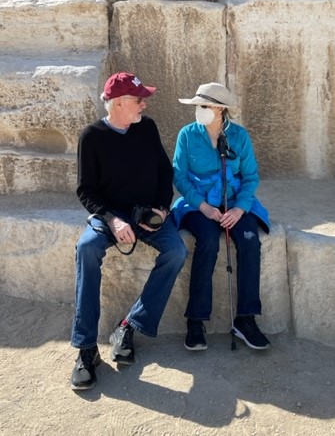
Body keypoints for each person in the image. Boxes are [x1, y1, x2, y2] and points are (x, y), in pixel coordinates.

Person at [70, 71, 187, 390]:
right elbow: (85, 191)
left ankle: (130, 325)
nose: (144, 105)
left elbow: (165, 171)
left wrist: (162, 208)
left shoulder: (146, 128)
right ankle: (86, 349)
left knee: (176, 251)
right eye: (139, 100)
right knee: (86, 249)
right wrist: (112, 220)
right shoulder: (91, 136)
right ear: (119, 103)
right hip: (111, 218)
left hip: (147, 215)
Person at [171, 82, 271, 352]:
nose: (198, 110)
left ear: (221, 109)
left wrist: (239, 209)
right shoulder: (187, 135)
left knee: (250, 239)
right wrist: (203, 207)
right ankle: (196, 321)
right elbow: (179, 175)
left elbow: (250, 176)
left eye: (204, 105)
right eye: (197, 105)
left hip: (234, 201)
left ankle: (246, 319)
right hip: (199, 203)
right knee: (208, 240)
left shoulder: (238, 136)